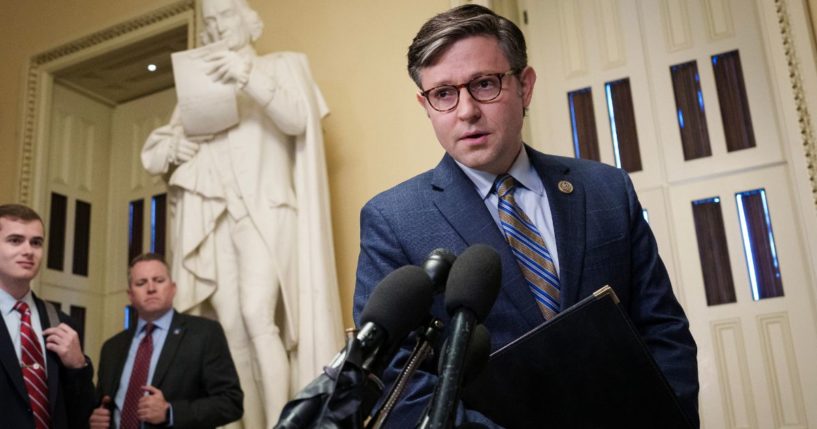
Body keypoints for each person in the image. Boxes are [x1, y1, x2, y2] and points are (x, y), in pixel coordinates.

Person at [353, 4, 699, 428]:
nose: (466, 111)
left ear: (525, 86)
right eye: (444, 94)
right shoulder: (393, 220)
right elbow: (394, 379)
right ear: (425, 104)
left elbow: (664, 330)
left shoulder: (607, 190)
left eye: (484, 84)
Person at [142, 0, 343, 425]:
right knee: (229, 327)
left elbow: (298, 120)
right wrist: (173, 150)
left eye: (225, 18)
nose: (217, 28)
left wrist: (247, 76)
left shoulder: (282, 65)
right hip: (218, 217)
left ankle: (279, 423)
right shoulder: (198, 84)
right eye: (210, 23)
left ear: (249, 22)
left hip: (267, 211)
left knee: (258, 315)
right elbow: (159, 150)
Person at [89, 253, 243, 429]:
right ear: (130, 295)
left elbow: (231, 402)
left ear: (173, 288)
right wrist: (95, 419)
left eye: (159, 280)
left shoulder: (204, 334)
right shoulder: (112, 348)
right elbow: (102, 404)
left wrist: (170, 412)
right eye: (141, 283)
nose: (151, 288)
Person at [0, 203, 95, 429]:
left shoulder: (62, 324)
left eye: (36, 243)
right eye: (15, 240)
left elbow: (81, 415)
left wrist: (78, 367)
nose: (28, 251)